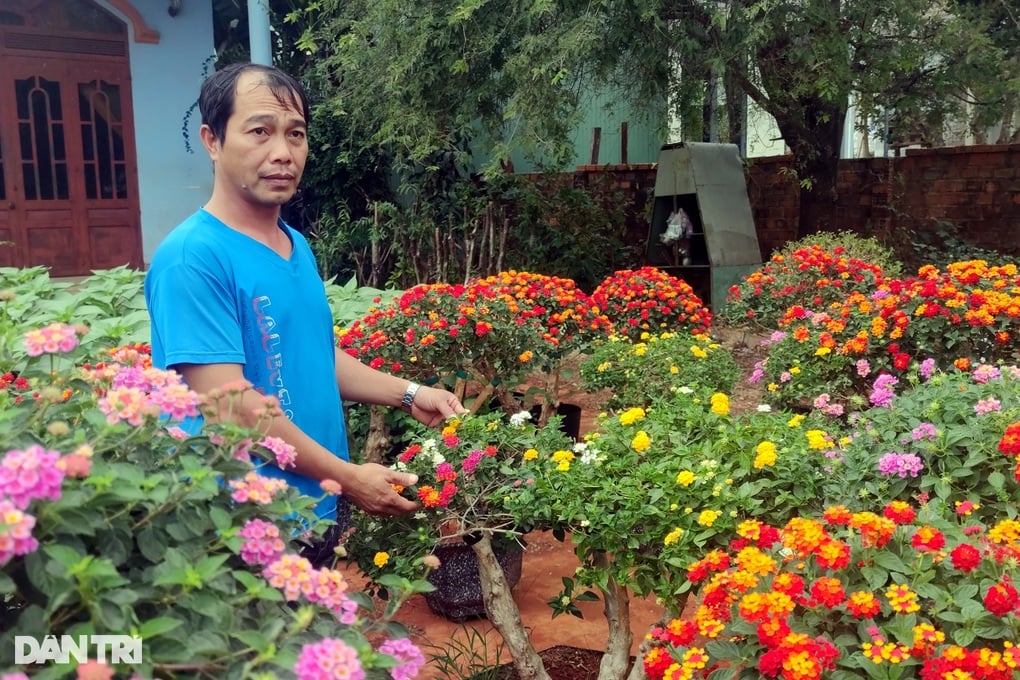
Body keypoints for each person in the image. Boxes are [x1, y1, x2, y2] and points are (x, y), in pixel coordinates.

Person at [144, 62, 465, 564]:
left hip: (313, 504)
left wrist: (409, 393)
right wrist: (349, 476)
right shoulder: (193, 257)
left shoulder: (293, 245)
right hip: (243, 527)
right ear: (212, 139)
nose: (282, 153)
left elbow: (313, 355)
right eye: (259, 131)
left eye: (296, 134)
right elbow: (229, 407)